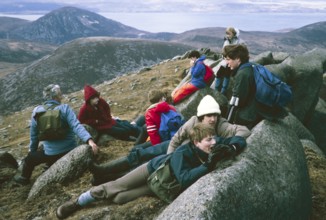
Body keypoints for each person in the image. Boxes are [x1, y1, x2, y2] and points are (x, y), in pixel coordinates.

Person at [56, 123, 247, 219]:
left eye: (213, 138)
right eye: (209, 140)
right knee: (117, 186)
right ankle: (78, 202)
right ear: (197, 142)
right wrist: (207, 165)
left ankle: (98, 201)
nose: (214, 143)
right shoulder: (183, 153)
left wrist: (232, 148)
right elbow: (184, 179)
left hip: (160, 185)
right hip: (152, 170)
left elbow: (239, 139)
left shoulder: (214, 145)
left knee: (120, 198)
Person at [88, 95, 250, 185]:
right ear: (202, 115)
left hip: (187, 157)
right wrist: (170, 157)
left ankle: (105, 178)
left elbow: (244, 131)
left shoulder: (220, 124)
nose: (212, 119)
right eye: (209, 115)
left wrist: (227, 142)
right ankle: (103, 169)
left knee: (147, 170)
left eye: (215, 115)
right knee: (140, 155)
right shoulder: (193, 121)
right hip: (173, 148)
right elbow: (176, 139)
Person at [14, 84, 98, 185]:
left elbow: (34, 136)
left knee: (30, 158)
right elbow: (76, 126)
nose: (61, 96)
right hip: (70, 150)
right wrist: (90, 141)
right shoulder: (64, 108)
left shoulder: (37, 111)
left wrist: (32, 152)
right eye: (60, 94)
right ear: (56, 96)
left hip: (50, 154)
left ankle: (24, 179)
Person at [222, 44, 288, 129]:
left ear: (238, 59)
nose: (226, 62)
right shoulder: (251, 66)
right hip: (265, 109)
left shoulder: (243, 74)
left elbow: (238, 100)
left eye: (228, 59)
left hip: (252, 115)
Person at [78, 85, 142, 142]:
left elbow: (107, 108)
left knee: (126, 126)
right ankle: (128, 139)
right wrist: (95, 121)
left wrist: (107, 116)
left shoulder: (100, 101)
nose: (97, 99)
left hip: (108, 121)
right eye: (94, 98)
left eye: (97, 97)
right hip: (100, 126)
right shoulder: (84, 109)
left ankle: (139, 135)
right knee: (122, 131)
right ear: (89, 100)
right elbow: (81, 121)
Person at [215, 27, 245, 95]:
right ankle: (216, 89)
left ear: (233, 34)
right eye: (227, 33)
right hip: (225, 60)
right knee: (219, 74)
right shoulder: (226, 41)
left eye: (229, 33)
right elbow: (223, 50)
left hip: (232, 60)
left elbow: (240, 51)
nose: (227, 35)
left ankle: (223, 91)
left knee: (227, 74)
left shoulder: (238, 41)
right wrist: (224, 56)